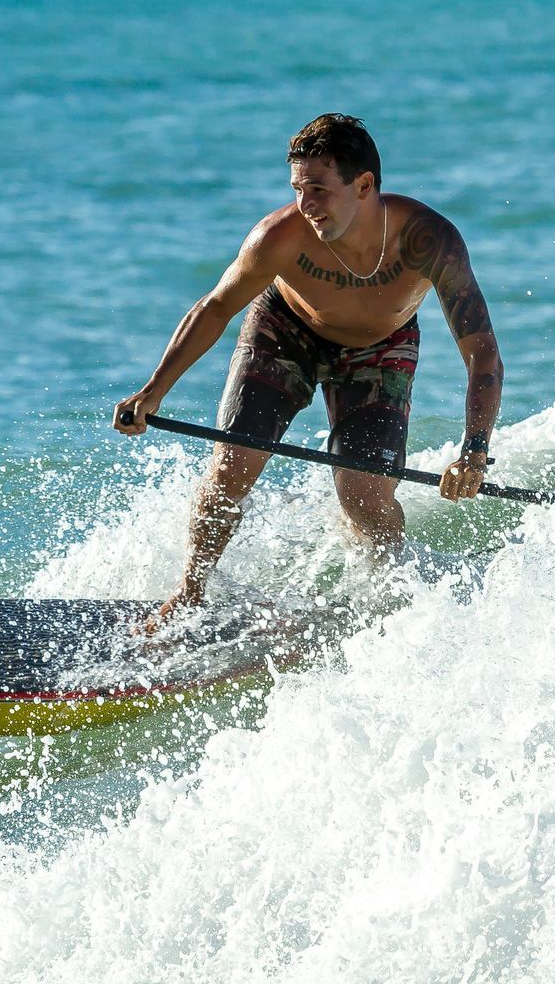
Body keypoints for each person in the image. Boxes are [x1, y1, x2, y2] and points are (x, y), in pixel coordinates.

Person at [113, 113, 504, 631]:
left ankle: (384, 595)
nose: (307, 204)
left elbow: (483, 356)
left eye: (318, 189)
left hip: (379, 348)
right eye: (298, 189)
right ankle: (190, 592)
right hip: (285, 331)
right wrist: (153, 390)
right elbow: (214, 309)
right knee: (233, 466)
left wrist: (473, 452)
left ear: (363, 185)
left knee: (364, 497)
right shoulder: (278, 238)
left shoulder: (429, 241)